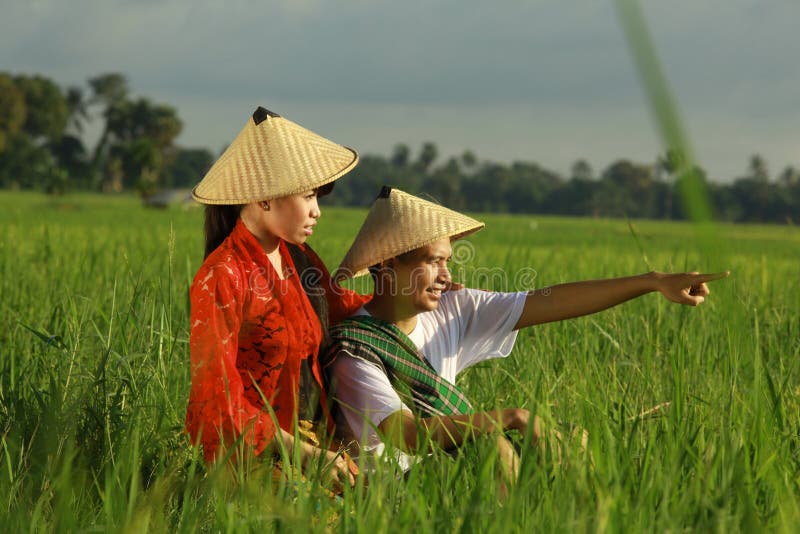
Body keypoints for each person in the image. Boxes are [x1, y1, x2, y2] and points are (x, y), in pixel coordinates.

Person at [323, 186, 728, 487]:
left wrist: (652, 282)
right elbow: (406, 436)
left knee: (575, 438)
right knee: (493, 447)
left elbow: (549, 302)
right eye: (434, 262)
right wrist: (514, 418)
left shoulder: (452, 309)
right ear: (390, 264)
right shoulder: (357, 349)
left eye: (447, 262)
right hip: (390, 489)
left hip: (443, 470)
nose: (446, 276)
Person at [185, 106, 368, 492]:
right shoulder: (222, 276)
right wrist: (302, 454)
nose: (317, 211)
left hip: (318, 445)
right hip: (257, 459)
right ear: (264, 200)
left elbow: (348, 309)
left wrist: (417, 287)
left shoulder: (299, 261)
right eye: (308, 196)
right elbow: (216, 399)